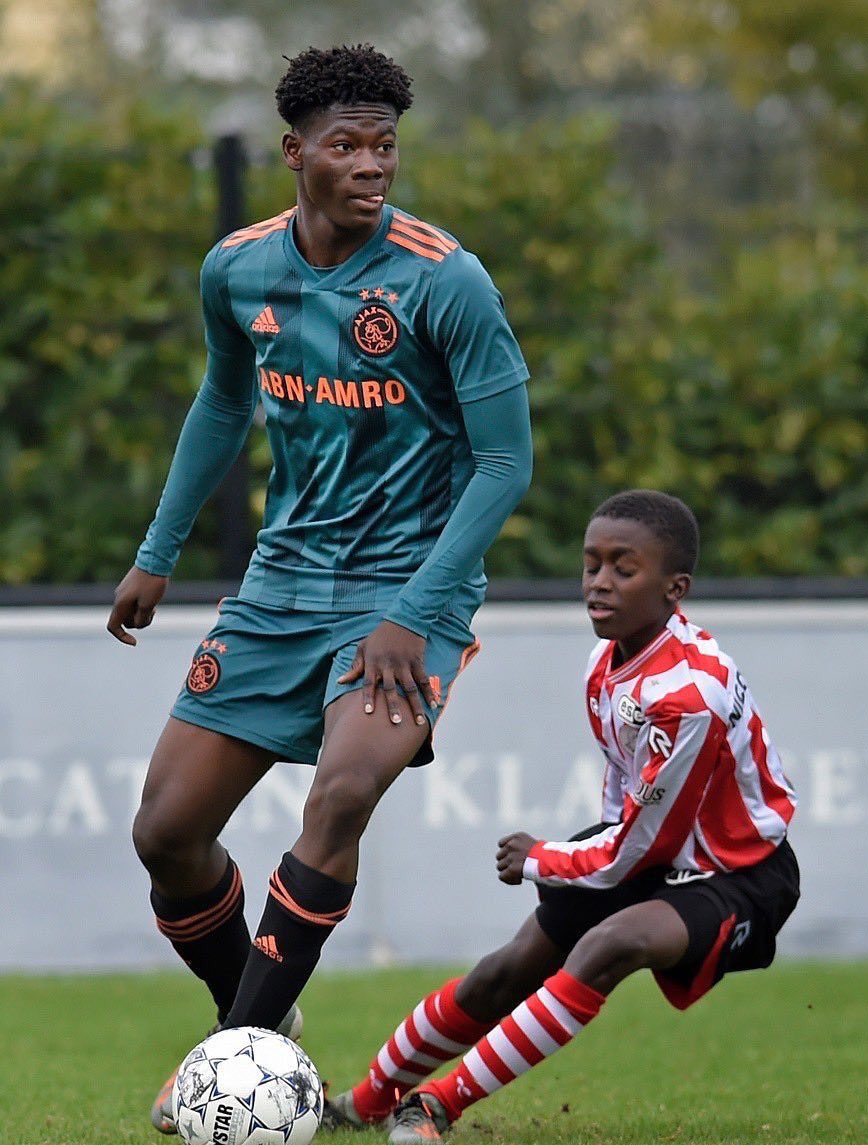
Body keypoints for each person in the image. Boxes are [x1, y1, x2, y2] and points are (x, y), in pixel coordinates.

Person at [106, 44, 532, 1135]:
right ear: (294, 153)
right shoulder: (237, 269)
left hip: (410, 592)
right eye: (345, 145)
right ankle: (268, 1033)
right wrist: (159, 550)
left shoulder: (445, 277)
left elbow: (504, 464)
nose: (371, 164)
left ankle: (229, 1062)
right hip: (279, 586)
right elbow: (220, 402)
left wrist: (410, 609)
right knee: (166, 830)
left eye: (384, 144)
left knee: (340, 794)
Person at [322, 489, 800, 1143]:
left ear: (674, 587)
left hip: (737, 872)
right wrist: (576, 865)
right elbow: (624, 798)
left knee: (611, 944)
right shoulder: (606, 661)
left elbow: (641, 847)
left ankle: (435, 1103)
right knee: (507, 968)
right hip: (646, 846)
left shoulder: (688, 693)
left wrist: (544, 857)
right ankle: (365, 1100)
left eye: (622, 568)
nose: (599, 584)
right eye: (591, 564)